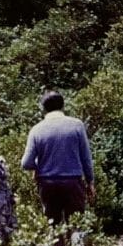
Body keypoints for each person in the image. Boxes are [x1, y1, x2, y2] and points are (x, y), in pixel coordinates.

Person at [21, 90, 95, 225]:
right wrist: (90, 182)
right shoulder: (77, 125)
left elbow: (26, 163)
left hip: (47, 184)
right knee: (76, 225)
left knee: (52, 225)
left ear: (44, 108)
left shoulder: (36, 130)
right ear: (63, 106)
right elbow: (86, 157)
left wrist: (37, 167)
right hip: (73, 183)